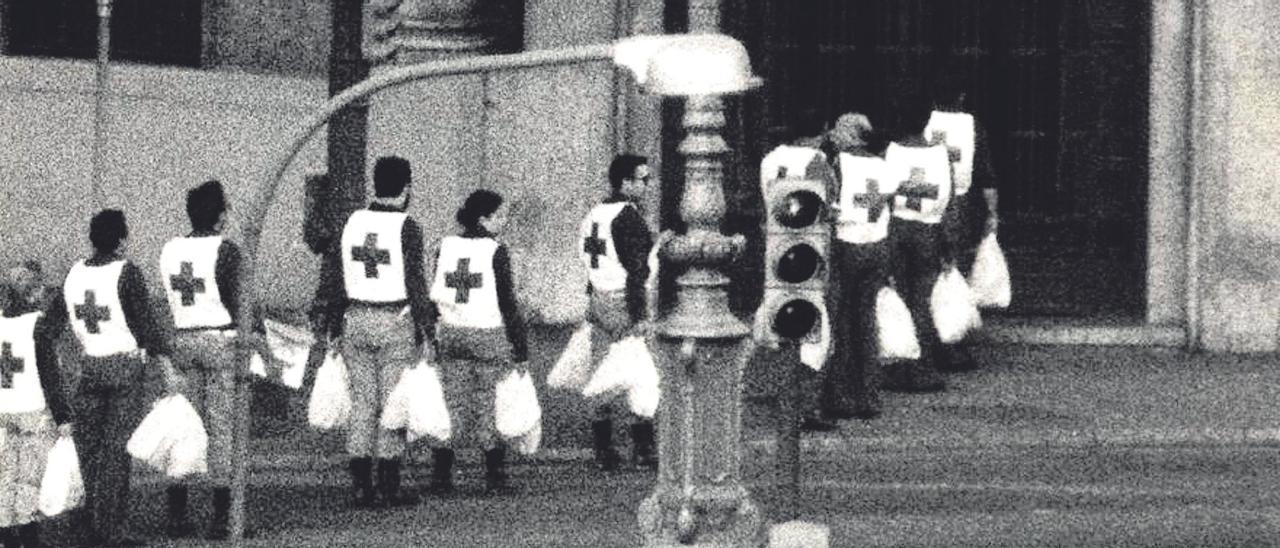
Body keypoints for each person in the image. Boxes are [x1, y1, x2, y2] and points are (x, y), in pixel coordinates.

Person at [314, 156, 434, 508]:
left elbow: (335, 276)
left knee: (364, 402)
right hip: (394, 319)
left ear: (375, 184)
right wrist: (427, 331)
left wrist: (334, 325)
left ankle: (361, 485)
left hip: (354, 319)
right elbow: (415, 281)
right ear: (407, 188)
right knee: (392, 403)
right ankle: (389, 484)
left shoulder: (351, 222)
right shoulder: (407, 226)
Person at [64, 209, 180, 547]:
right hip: (125, 368)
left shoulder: (74, 273)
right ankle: (112, 529)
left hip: (88, 367)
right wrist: (167, 367)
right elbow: (146, 325)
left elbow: (54, 321)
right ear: (120, 240)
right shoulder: (127, 273)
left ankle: (86, 521)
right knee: (117, 450)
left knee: (88, 449)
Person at [157, 180, 255, 539]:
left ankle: (176, 512)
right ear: (221, 215)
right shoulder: (226, 251)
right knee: (222, 429)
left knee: (184, 427)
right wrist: (256, 334)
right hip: (219, 341)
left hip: (183, 340)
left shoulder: (170, 250)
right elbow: (238, 301)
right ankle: (221, 515)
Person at [428, 189, 529, 494]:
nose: (505, 220)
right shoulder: (495, 250)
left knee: (452, 403)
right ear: (484, 218)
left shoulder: (445, 246)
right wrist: (520, 348)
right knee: (489, 402)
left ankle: (442, 475)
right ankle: (494, 475)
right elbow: (508, 303)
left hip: (451, 332)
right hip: (488, 333)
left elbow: (436, 291)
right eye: (500, 215)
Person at [758, 110, 840, 432]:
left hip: (776, 242)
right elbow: (826, 202)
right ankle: (803, 404)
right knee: (814, 326)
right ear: (820, 131)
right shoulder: (819, 161)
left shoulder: (770, 159)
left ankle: (785, 396)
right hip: (809, 245)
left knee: (784, 317)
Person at [578, 154, 658, 471]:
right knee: (642, 376)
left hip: (598, 301)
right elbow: (637, 272)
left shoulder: (594, 214)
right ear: (625, 182)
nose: (648, 185)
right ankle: (643, 448)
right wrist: (640, 317)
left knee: (602, 374)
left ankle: (603, 449)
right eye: (643, 179)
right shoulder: (629, 217)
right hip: (625, 302)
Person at [927, 75, 1000, 372]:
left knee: (927, 272)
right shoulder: (972, 126)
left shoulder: (924, 123)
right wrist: (992, 214)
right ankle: (951, 341)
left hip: (926, 201)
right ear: (961, 96)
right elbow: (986, 176)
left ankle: (928, 339)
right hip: (958, 203)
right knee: (952, 271)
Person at [825, 112, 895, 419]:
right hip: (877, 245)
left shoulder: (838, 163)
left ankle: (840, 394)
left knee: (841, 319)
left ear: (852, 136)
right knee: (866, 320)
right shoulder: (883, 165)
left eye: (839, 129)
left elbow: (830, 202)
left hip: (846, 244)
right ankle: (869, 395)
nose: (832, 134)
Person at [882, 94, 953, 392]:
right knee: (922, 300)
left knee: (898, 297)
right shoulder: (941, 154)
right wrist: (948, 244)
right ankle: (923, 368)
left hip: (897, 228)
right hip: (929, 231)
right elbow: (947, 200)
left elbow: (884, 192)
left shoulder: (892, 151)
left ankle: (899, 366)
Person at [0, 271, 73, 548]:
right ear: (35, 293)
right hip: (31, 410)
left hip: (2, 410)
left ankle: (5, 534)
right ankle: (29, 535)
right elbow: (49, 374)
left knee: (5, 474)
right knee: (29, 478)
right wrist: (62, 415)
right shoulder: (37, 326)